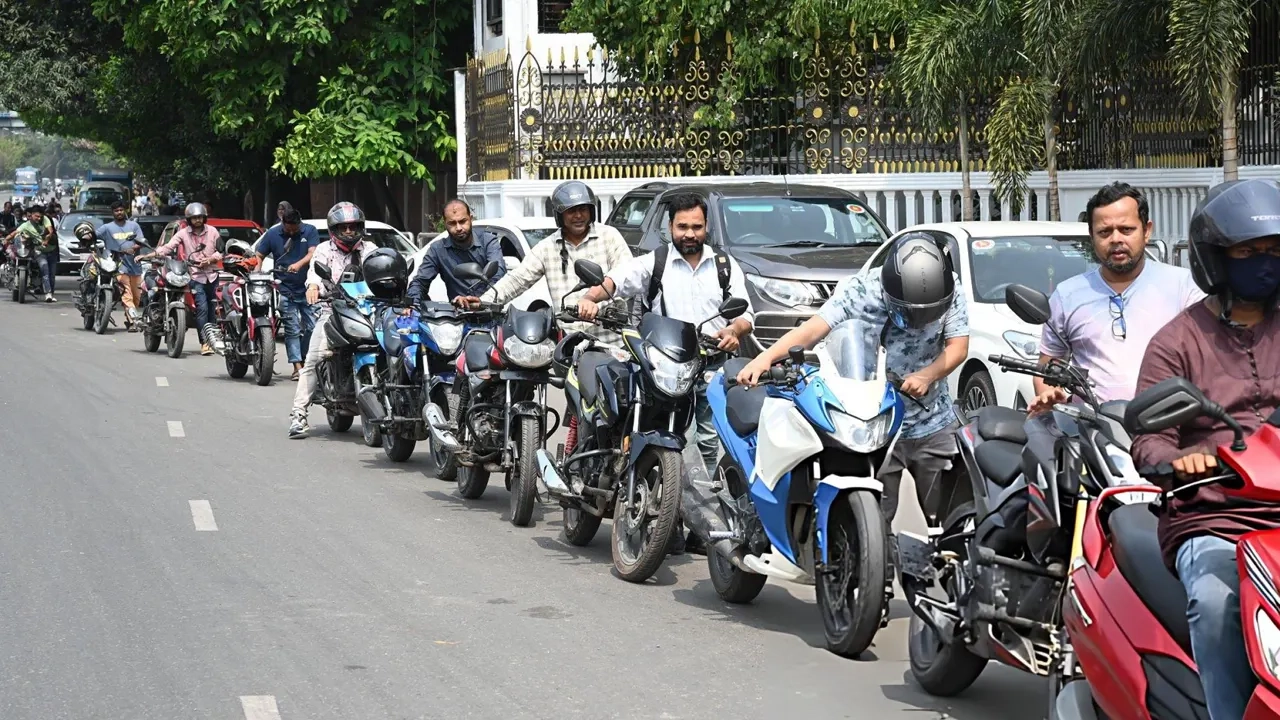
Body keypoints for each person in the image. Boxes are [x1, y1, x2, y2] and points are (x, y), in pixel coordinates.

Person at [1131, 178, 1280, 720]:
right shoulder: (1176, 341)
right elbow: (1149, 435)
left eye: (1274, 251)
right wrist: (1175, 461)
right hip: (1216, 516)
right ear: (1216, 259)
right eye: (1247, 252)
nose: (1264, 263)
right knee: (1218, 605)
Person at [736, 232, 970, 533]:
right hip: (875, 422)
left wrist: (927, 375)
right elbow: (813, 330)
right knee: (872, 524)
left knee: (952, 520)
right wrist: (764, 358)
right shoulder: (862, 290)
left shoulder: (950, 289)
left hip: (932, 420)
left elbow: (958, 347)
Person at [577, 193, 754, 555]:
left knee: (709, 446)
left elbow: (746, 313)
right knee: (665, 439)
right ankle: (667, 519)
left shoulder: (724, 265)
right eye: (682, 226)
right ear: (670, 227)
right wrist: (589, 300)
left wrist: (734, 332)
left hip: (710, 367)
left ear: (707, 227)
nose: (690, 233)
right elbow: (613, 282)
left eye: (697, 227)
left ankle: (705, 527)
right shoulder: (652, 263)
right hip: (663, 367)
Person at [1026, 183, 1204, 458]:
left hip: (1171, 434)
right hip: (1092, 438)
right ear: (1092, 237)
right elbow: (1049, 366)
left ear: (1147, 231)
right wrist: (1051, 394)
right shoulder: (1067, 295)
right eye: (1104, 232)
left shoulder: (1184, 287)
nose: (1116, 239)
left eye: (1127, 229)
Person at [289, 202, 379, 439]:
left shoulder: (370, 249)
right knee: (314, 358)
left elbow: (381, 270)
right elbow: (313, 276)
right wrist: (313, 287)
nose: (349, 232)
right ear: (333, 229)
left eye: (353, 226)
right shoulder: (323, 250)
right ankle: (298, 416)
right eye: (344, 227)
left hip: (368, 312)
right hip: (332, 311)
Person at [139, 203, 223, 355]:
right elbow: (167, 248)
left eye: (199, 217)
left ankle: (214, 341)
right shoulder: (183, 233)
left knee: (213, 310)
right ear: (189, 219)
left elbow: (221, 251)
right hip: (195, 276)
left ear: (204, 218)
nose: (197, 220)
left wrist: (211, 259)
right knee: (202, 309)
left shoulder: (213, 232)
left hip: (212, 275)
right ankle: (204, 342)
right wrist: (147, 256)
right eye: (194, 218)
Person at [255, 208, 321, 379]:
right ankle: (297, 366)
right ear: (282, 223)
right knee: (291, 329)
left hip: (308, 288)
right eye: (288, 229)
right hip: (284, 288)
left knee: (313, 327)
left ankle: (305, 358)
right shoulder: (273, 233)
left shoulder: (310, 231)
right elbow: (260, 253)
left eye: (294, 228)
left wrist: (299, 265)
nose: (291, 232)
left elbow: (312, 253)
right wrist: (257, 268)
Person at [406, 199, 507, 304]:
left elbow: (498, 275)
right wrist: (411, 305)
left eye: (463, 221)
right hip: (457, 315)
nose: (458, 228)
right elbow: (420, 282)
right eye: (452, 223)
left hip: (490, 311)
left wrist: (482, 300)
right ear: (445, 224)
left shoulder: (488, 241)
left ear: (470, 219)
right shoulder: (437, 249)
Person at [95, 201, 145, 330]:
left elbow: (141, 241)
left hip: (135, 265)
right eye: (116, 211)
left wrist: (134, 248)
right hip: (118, 265)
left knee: (136, 297)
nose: (119, 213)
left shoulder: (134, 226)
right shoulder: (107, 228)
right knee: (126, 294)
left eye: (121, 210)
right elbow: (94, 235)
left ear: (125, 211)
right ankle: (134, 321)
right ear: (113, 213)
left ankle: (130, 319)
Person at [5, 204, 58, 302]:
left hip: (52, 250)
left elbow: (50, 231)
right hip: (39, 251)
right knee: (44, 268)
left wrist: (47, 239)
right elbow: (14, 233)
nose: (38, 218)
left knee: (52, 275)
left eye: (40, 216)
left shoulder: (45, 219)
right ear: (32, 215)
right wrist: (6, 240)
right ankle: (48, 294)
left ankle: (51, 293)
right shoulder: (25, 226)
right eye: (36, 216)